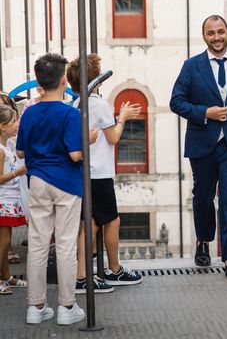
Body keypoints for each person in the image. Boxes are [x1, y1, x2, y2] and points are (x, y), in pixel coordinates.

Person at [170, 14, 227, 281]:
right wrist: (204, 112)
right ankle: (203, 240)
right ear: (204, 37)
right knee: (203, 197)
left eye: (221, 32)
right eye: (211, 33)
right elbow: (176, 102)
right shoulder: (191, 66)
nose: (217, 37)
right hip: (203, 143)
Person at [16, 53, 98, 326]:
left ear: (39, 81)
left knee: (38, 243)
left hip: (38, 180)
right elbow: (76, 154)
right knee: (65, 244)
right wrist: (89, 140)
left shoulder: (29, 112)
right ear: (64, 80)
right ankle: (66, 306)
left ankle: (35, 307)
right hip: (66, 182)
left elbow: (19, 151)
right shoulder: (70, 114)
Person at [66, 53, 142, 293]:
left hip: (85, 172)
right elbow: (114, 137)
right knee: (110, 221)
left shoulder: (78, 102)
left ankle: (82, 275)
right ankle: (114, 270)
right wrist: (123, 118)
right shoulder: (97, 104)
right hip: (99, 173)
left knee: (90, 223)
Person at [0, 105, 28, 294]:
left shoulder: (8, 145)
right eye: (13, 122)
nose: (17, 124)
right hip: (3, 200)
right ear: (2, 126)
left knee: (6, 240)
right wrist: (17, 172)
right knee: (3, 241)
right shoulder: (1, 150)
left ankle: (6, 276)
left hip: (9, 200)